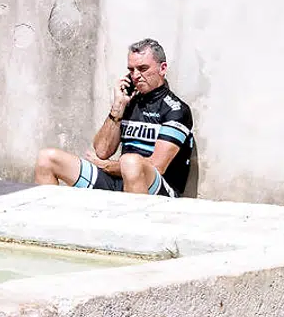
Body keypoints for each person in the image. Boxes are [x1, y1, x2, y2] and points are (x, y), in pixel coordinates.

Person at [34, 39, 194, 198]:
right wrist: (117, 108)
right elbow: (102, 151)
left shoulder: (176, 110)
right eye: (131, 70)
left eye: (143, 68)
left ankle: (137, 222)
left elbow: (157, 166)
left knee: (131, 162)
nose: (136, 76)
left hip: (158, 191)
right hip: (119, 181)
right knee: (47, 159)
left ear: (162, 68)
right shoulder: (129, 103)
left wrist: (108, 166)